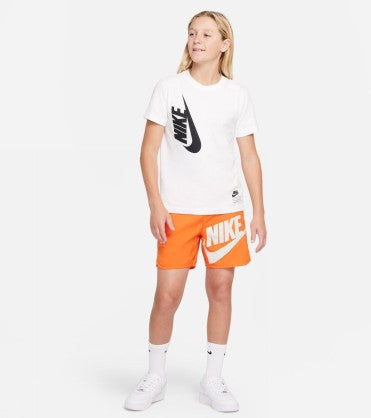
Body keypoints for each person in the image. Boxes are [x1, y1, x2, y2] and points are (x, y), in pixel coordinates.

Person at [124, 10, 267, 413]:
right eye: (192, 33)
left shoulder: (237, 95)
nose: (197, 40)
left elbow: (250, 157)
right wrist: (155, 203)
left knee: (221, 290)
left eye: (206, 34)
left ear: (225, 44)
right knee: (167, 295)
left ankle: (213, 380)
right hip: (178, 212)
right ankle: (155, 377)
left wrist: (258, 212)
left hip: (225, 211)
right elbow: (148, 151)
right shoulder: (169, 89)